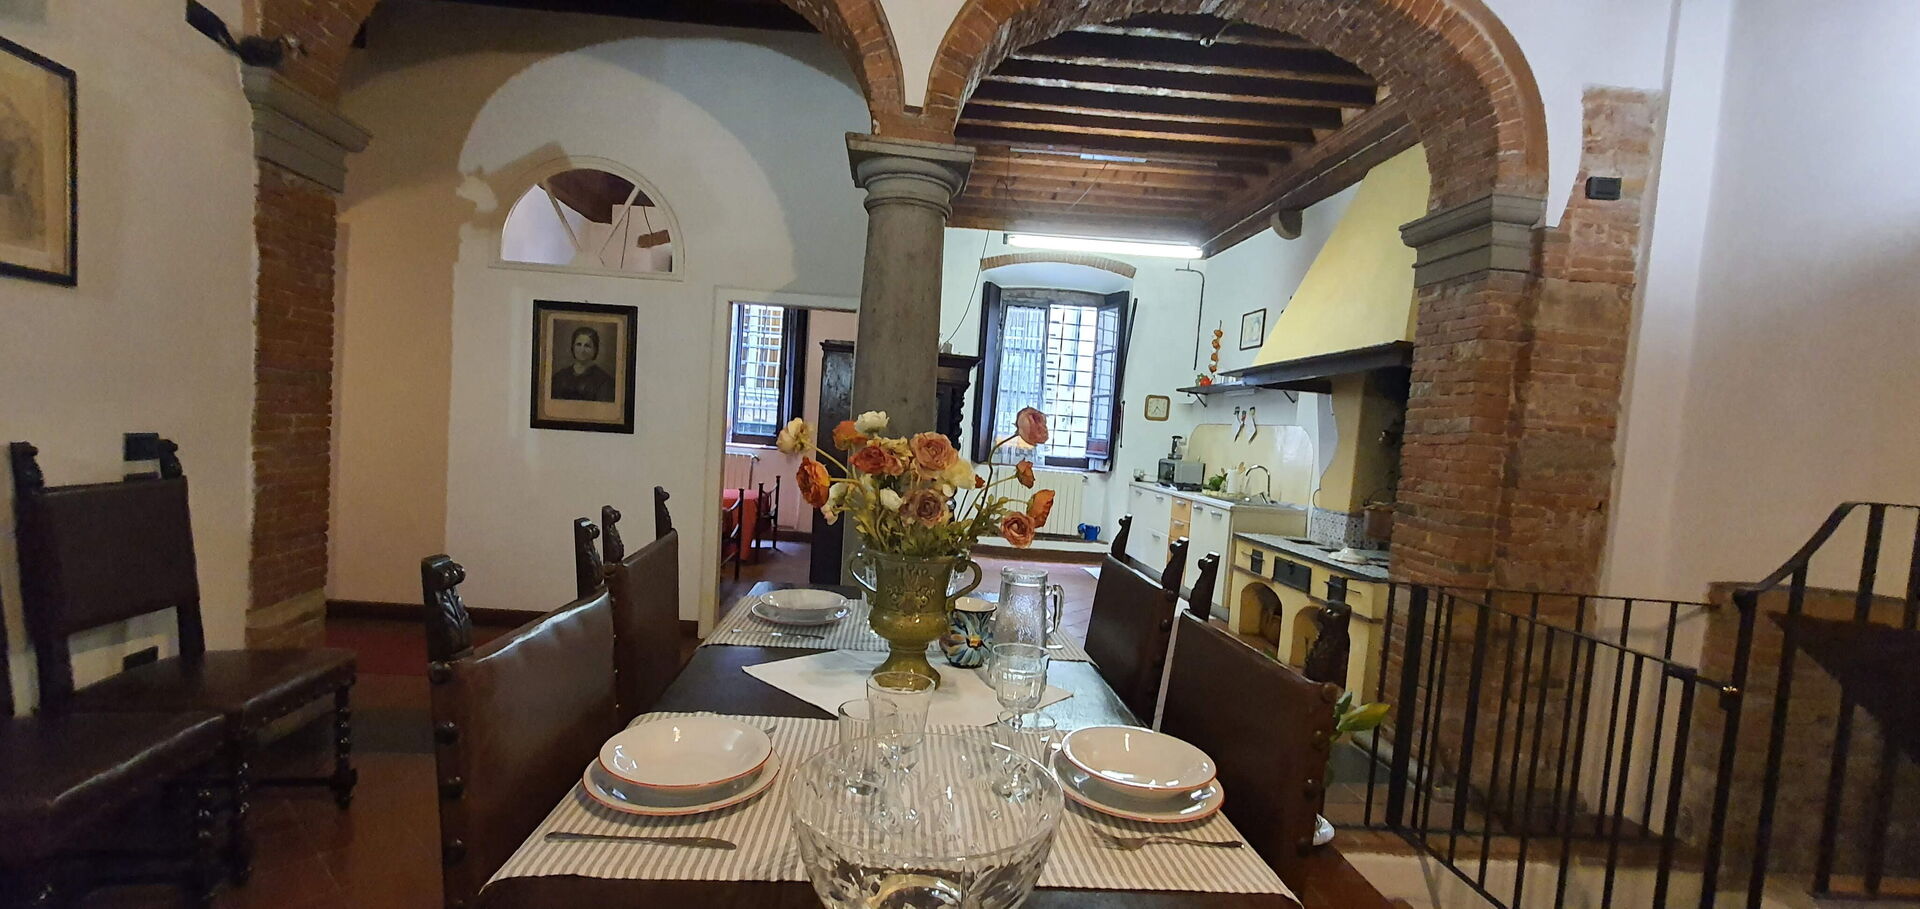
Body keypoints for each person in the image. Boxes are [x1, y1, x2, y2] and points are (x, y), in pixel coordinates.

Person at [550, 324, 616, 402]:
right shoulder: (559, 377)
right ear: (573, 347)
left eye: (587, 346)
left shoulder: (605, 381)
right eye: (578, 344)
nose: (582, 350)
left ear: (595, 350)